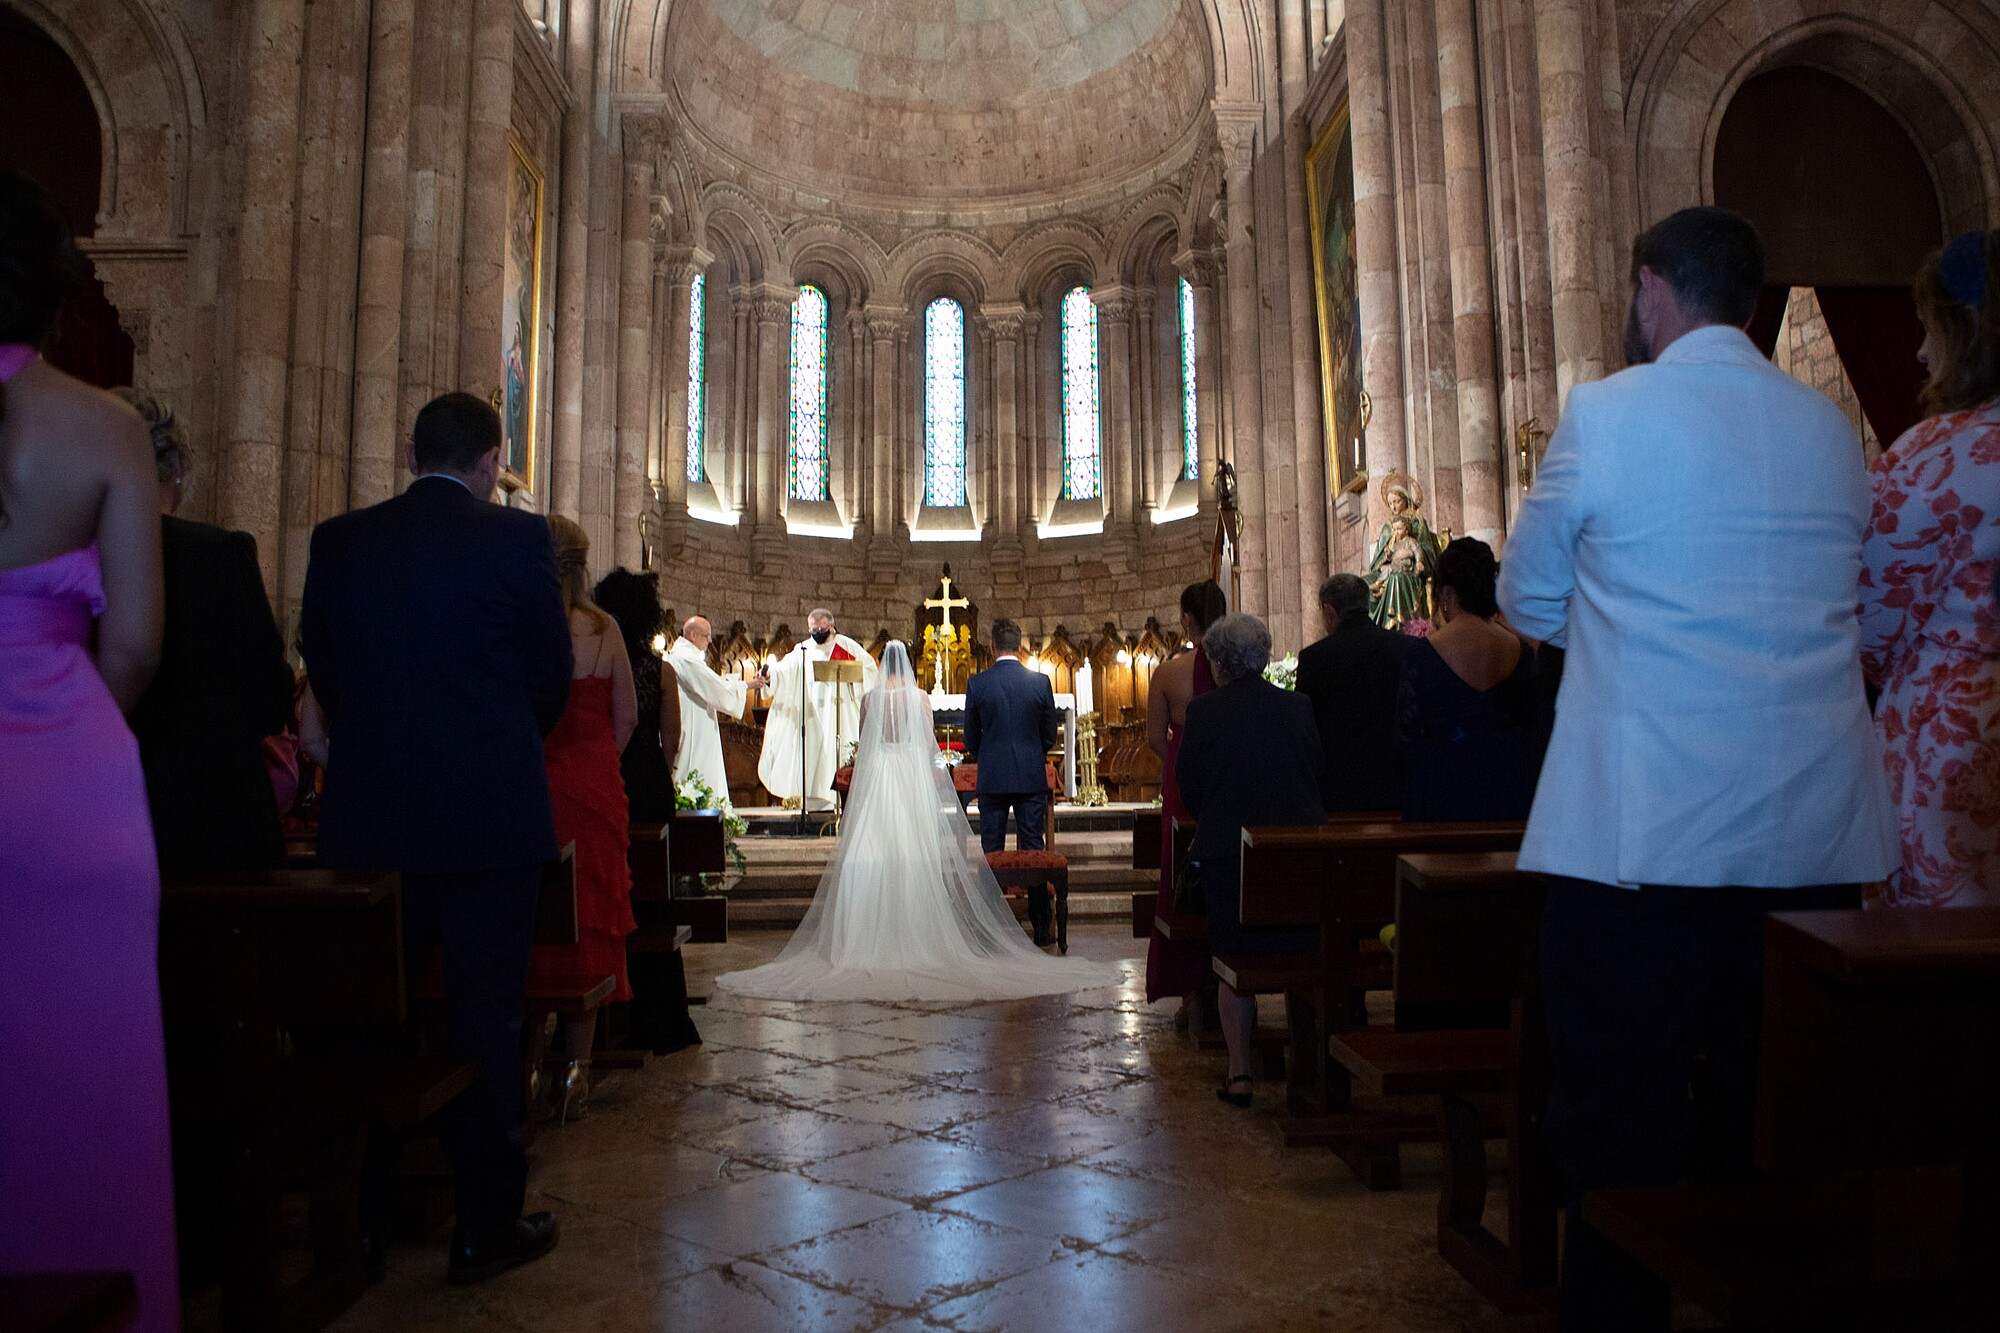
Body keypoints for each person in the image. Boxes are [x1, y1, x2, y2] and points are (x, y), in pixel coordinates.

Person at [1497, 206, 1896, 1331]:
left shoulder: (1608, 413)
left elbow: (1527, 600)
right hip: (1811, 842)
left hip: (1644, 842)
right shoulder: (1825, 428)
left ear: (1648, 288)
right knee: (1772, 1126)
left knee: (1618, 1128)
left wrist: (1633, 629)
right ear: (1753, 300)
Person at [300, 391, 571, 1284]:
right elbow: (548, 679)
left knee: (364, 1022)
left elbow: (325, 676)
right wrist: (493, 747)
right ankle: (481, 1224)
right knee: (486, 1016)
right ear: (493, 462)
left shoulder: (340, 541)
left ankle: (359, 1223)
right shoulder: (516, 541)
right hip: (491, 822)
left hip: (369, 823)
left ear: (410, 454)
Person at [0, 167, 175, 1331]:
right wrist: (65, 713)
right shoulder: (106, 425)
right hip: (71, 789)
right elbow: (138, 642)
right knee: (81, 1096)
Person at [715, 642, 1116, 1001]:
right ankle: (926, 933)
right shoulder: (920, 697)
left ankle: (865, 939)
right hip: (908, 775)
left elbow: (863, 742)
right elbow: (929, 745)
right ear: (908, 665)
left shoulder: (871, 699)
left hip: (879, 779)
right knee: (914, 851)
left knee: (871, 853)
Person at [1860, 228, 2000, 907]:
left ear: (1967, 329)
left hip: (1954, 745)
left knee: (1937, 979)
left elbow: (1867, 617)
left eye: (1928, 329)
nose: (1919, 351)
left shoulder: (1934, 461)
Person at [122, 388, 294, 874]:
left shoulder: (70, 557)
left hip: (107, 802)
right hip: (216, 811)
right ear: (174, 463)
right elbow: (268, 698)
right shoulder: (218, 554)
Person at [1175, 613, 1325, 1109]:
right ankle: (1309, 1072)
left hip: (1228, 853)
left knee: (1232, 961)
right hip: (1292, 851)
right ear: (1262, 658)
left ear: (1217, 662)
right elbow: (1313, 773)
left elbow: (1189, 784)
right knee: (1301, 952)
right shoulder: (1298, 707)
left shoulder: (1204, 712)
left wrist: (1218, 818)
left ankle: (1240, 1074)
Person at [528, 516, 639, 1123]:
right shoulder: (604, 629)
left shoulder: (527, 623)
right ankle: (577, 1071)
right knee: (592, 919)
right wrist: (596, 764)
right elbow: (626, 715)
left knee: (535, 917)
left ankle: (531, 1065)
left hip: (537, 783)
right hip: (594, 783)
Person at [1397, 538, 1538, 823]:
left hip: (1440, 786)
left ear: (1447, 593)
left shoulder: (1422, 653)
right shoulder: (1519, 650)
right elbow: (1532, 728)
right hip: (1507, 784)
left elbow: (1404, 736)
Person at [1143, 579, 1229, 1007]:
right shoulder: (1236, 664)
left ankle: (1191, 993)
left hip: (1184, 781)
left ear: (1187, 620)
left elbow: (1155, 737)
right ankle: (1230, 974)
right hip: (1232, 778)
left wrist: (1179, 757)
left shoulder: (1168, 672)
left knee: (1179, 875)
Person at [964, 617, 1061, 942]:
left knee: (991, 849)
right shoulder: (1040, 682)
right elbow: (1049, 734)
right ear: (1019, 646)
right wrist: (1031, 752)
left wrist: (988, 755)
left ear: (992, 647)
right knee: (1033, 846)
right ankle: (1042, 927)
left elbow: (970, 739)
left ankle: (989, 928)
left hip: (992, 775)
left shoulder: (978, 683)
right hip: (1030, 774)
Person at [1295, 571, 1410, 812]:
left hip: (1338, 792)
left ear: (1328, 612)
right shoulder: (1405, 648)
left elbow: (1306, 730)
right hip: (1396, 786)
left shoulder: (1315, 659)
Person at [759, 607, 879, 810]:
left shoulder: (847, 645)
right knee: (814, 754)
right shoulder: (803, 649)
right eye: (812, 630)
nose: (816, 634)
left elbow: (868, 670)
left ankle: (843, 799)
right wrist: (771, 674)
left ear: (830, 627)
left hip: (840, 710)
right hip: (812, 713)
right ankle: (816, 802)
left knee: (839, 752)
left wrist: (853, 679)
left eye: (820, 630)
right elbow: (785, 669)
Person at [594, 568, 682, 824]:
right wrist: (660, 774)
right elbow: (672, 739)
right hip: (647, 778)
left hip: (605, 772)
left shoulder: (597, 665)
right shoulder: (662, 671)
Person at [669, 614, 760, 801]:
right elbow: (714, 686)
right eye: (706, 635)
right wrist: (747, 685)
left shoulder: (686, 656)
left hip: (698, 724)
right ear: (692, 635)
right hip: (692, 728)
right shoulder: (685, 658)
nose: (710, 640)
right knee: (695, 773)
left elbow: (714, 682)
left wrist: (743, 684)